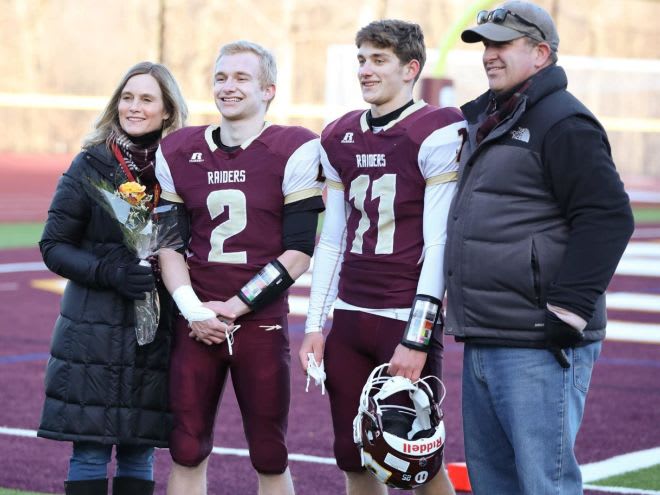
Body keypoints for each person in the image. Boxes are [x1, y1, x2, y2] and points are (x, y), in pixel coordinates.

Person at [443, 2, 635, 494]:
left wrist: (568, 309)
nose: (489, 54)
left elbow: (608, 217)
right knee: (495, 484)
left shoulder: (563, 120)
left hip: (539, 339)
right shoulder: (491, 116)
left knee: (542, 484)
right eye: (486, 44)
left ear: (541, 52)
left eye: (502, 44)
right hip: (487, 331)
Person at [300, 20, 465, 495]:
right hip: (350, 317)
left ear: (410, 68)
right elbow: (330, 239)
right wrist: (315, 324)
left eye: (378, 60)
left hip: (402, 316)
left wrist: (418, 336)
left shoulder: (436, 131)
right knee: (355, 455)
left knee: (418, 459)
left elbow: (439, 245)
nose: (365, 70)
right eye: (361, 59)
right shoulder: (340, 135)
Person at [155, 40, 324, 495]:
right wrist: (194, 310)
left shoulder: (296, 148)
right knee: (186, 448)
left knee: (270, 453)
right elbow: (168, 245)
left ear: (268, 89)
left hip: (259, 323)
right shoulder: (178, 149)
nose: (228, 87)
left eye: (241, 78)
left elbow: (299, 251)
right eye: (221, 77)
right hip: (196, 323)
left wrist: (231, 307)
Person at [38, 62, 188, 495]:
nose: (134, 107)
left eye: (146, 99)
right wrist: (111, 272)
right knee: (89, 451)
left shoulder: (181, 167)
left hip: (156, 331)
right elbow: (54, 245)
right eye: (127, 97)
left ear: (167, 111)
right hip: (91, 331)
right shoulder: (91, 163)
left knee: (140, 450)